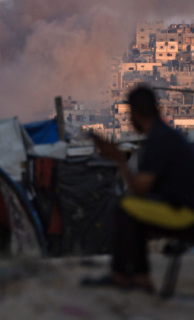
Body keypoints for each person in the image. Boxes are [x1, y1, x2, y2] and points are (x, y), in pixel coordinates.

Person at [84, 85, 194, 292]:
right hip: (180, 209)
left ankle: (122, 275)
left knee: (125, 207)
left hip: (185, 215)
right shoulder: (166, 135)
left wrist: (117, 158)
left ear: (134, 112)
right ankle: (139, 276)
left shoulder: (159, 139)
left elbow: (139, 189)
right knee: (132, 208)